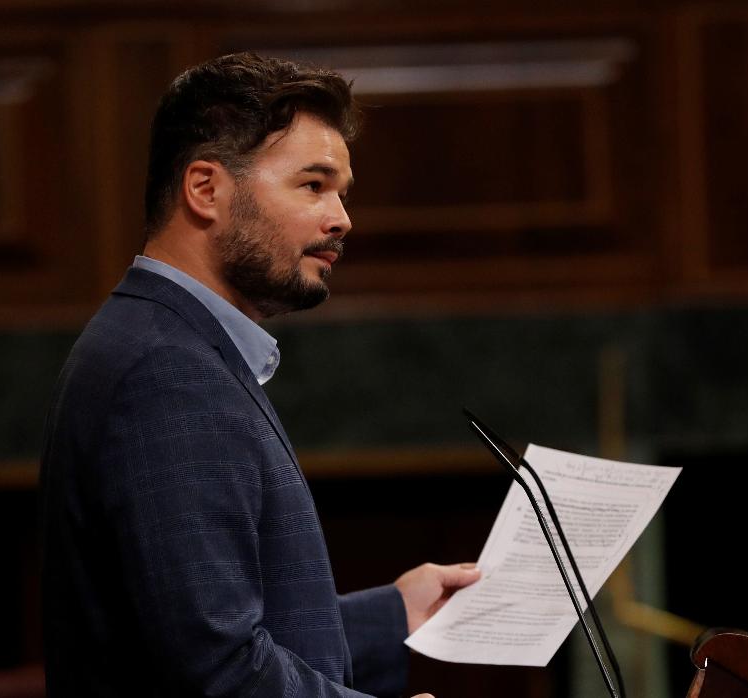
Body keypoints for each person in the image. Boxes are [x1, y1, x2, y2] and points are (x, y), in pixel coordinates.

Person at [39, 53, 481, 697]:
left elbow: (192, 629)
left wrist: (394, 612)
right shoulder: (166, 373)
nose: (341, 218)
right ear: (205, 189)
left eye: (341, 192)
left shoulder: (165, 341)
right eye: (312, 185)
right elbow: (215, 670)